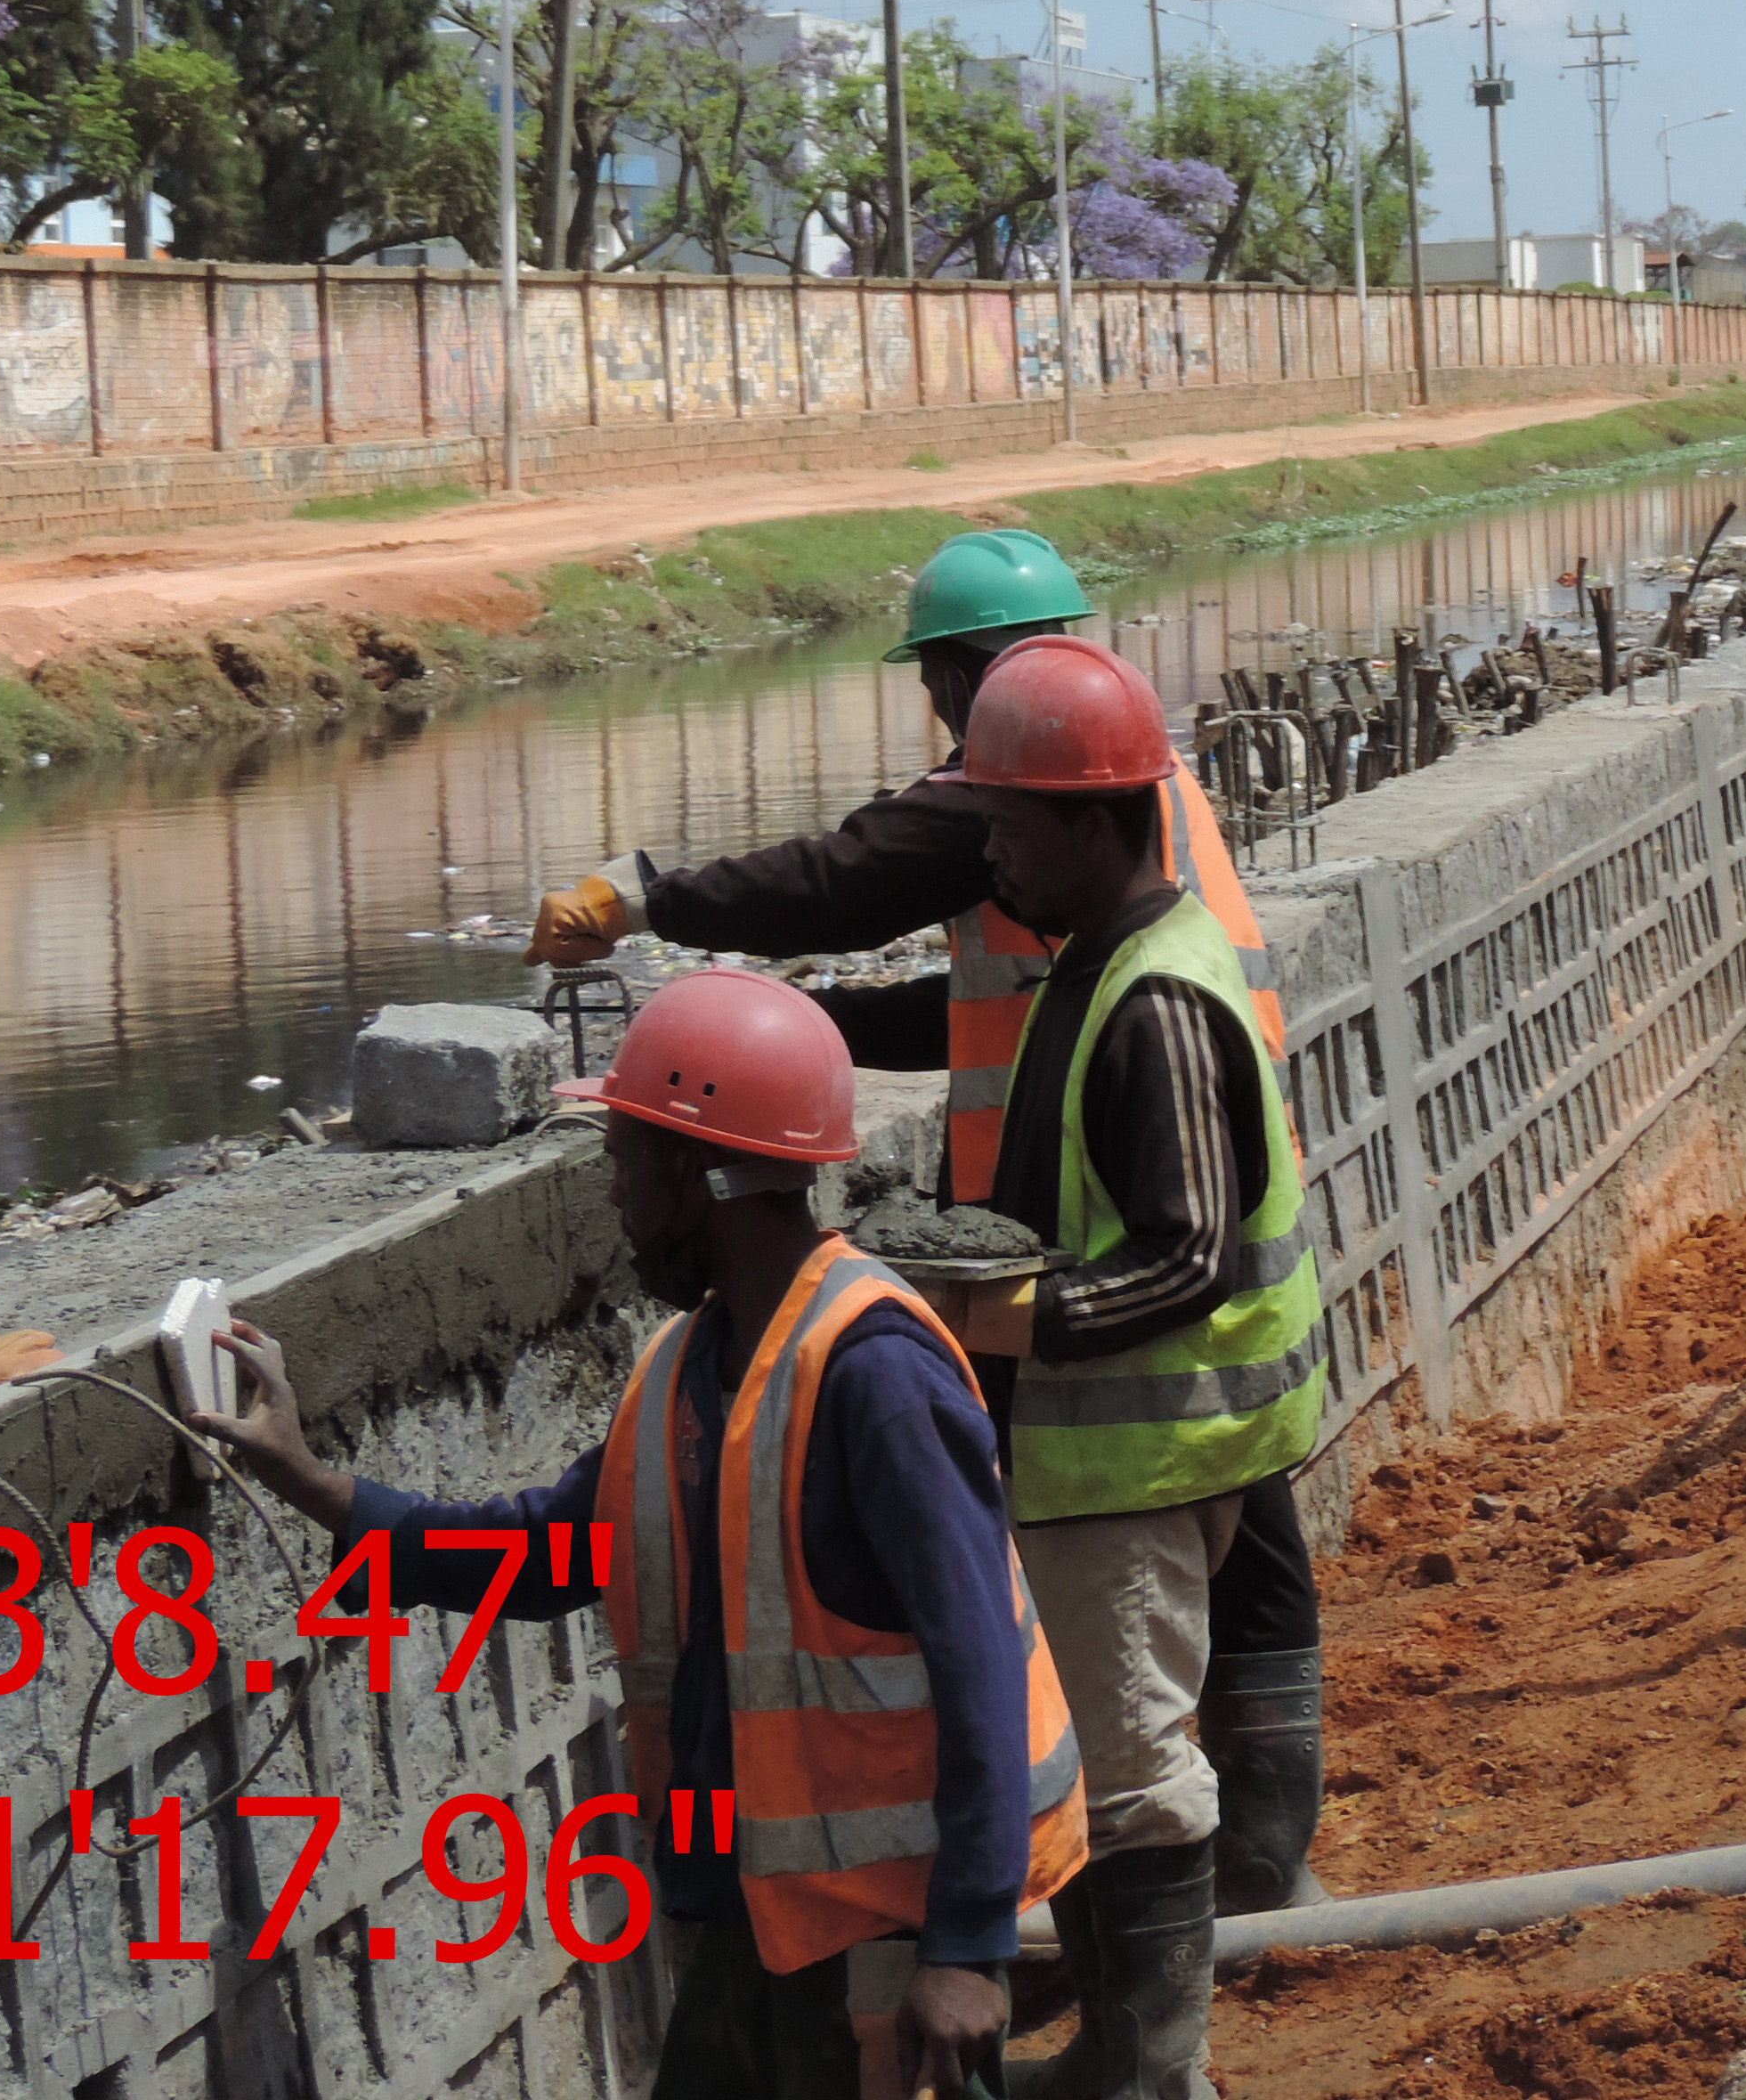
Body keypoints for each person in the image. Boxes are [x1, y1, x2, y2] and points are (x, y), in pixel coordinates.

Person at [522, 528, 1329, 1920]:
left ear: (968, 681)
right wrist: (790, 1035)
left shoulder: (1054, 809)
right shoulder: (1128, 819)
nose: (985, 839)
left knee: (1123, 1726)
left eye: (1000, 824)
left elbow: (850, 876)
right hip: (1217, 1325)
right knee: (1245, 1603)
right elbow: (964, 1008)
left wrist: (652, 897)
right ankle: (1267, 1886)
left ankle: (1165, 2008)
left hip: (1131, 1344)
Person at [187, 970, 1090, 2098]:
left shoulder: (875, 1376)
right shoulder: (689, 1371)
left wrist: (965, 1949)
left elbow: (981, 1670)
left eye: (623, 1158)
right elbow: (546, 1553)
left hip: (882, 1943)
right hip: (757, 1924)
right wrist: (312, 1480)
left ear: (695, 1176)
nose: (612, 1194)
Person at [958, 634, 1328, 2099]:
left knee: (1129, 1780)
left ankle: (1153, 2071)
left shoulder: (1155, 1003)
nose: (989, 850)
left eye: (1008, 824)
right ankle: (1121, 2043)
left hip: (1136, 1462)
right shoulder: (1099, 960)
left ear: (1098, 825)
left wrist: (1001, 1313)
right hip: (1108, 1459)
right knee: (1104, 1766)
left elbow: (1179, 1256)